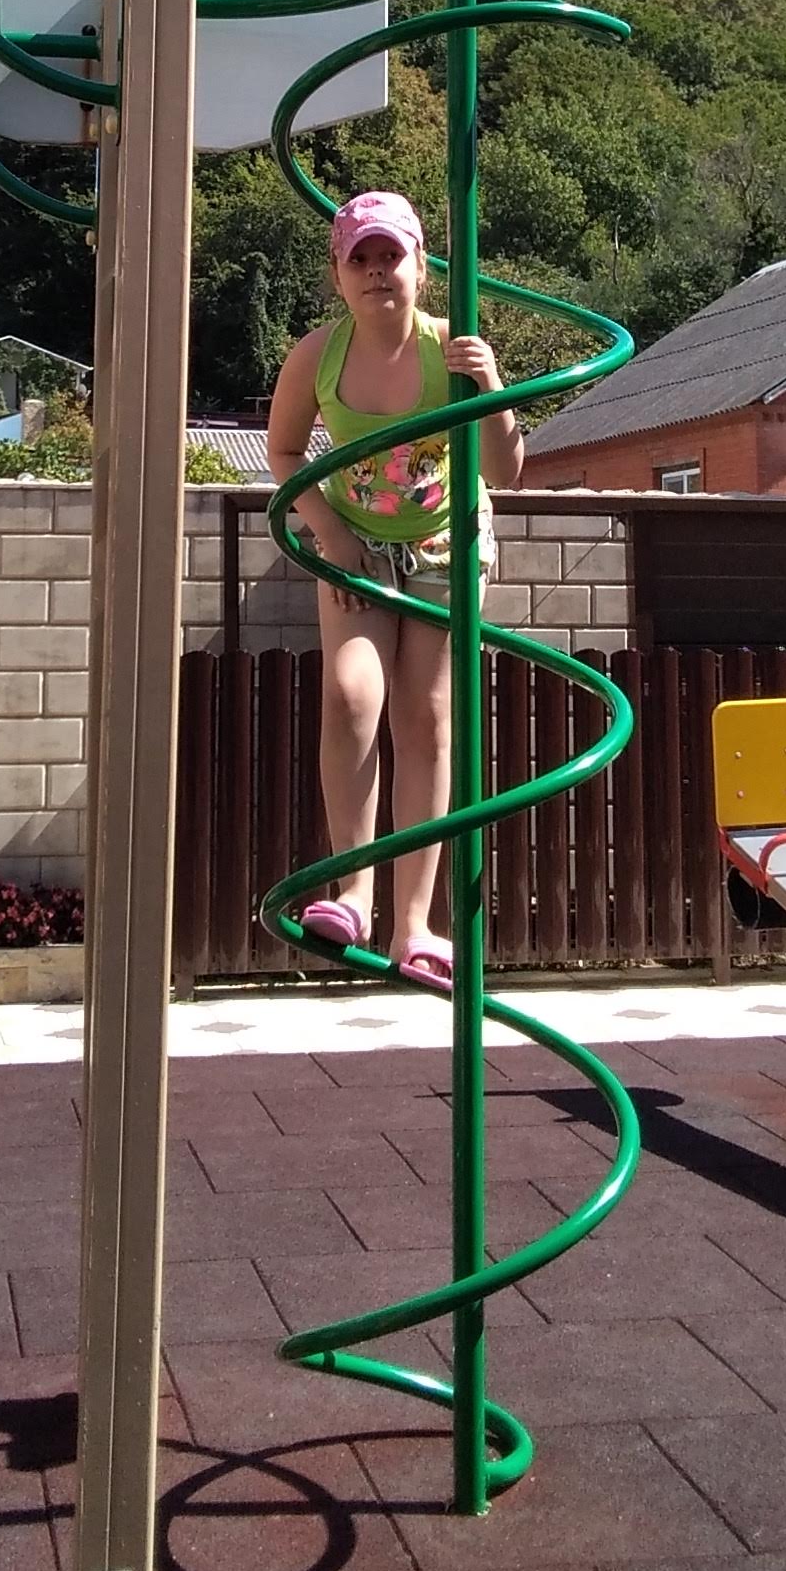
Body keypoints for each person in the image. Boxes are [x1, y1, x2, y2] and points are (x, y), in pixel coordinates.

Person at [267, 190, 523, 986]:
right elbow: (282, 454)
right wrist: (331, 534)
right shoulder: (319, 355)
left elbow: (506, 470)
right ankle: (355, 892)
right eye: (361, 259)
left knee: (427, 718)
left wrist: (491, 390)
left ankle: (416, 923)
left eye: (392, 256)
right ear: (338, 276)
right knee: (351, 696)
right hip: (358, 546)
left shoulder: (450, 348)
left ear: (421, 268)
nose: (378, 271)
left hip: (445, 541)